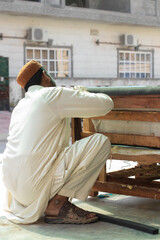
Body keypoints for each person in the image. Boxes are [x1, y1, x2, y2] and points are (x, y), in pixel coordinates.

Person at [2, 60, 114, 224]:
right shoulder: (50, 95)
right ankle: (57, 204)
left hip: (15, 194)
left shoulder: (20, 105)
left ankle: (53, 201)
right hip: (34, 187)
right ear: (45, 76)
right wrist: (81, 94)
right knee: (100, 142)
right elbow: (106, 104)